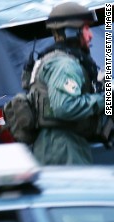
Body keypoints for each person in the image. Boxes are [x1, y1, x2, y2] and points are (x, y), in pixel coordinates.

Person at [30, 2, 104, 165]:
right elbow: (66, 107)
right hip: (63, 149)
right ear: (71, 32)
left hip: (60, 144)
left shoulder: (54, 58)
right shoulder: (64, 64)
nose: (90, 35)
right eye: (86, 28)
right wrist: (104, 99)